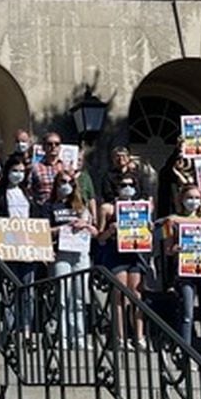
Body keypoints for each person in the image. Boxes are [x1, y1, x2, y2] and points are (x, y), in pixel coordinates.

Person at [165, 183, 201, 363]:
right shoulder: (172, 220)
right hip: (185, 270)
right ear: (181, 199)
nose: (193, 201)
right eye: (189, 197)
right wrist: (175, 248)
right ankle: (184, 355)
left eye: (197, 198)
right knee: (187, 314)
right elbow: (167, 249)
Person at [95, 168, 150, 347]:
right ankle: (120, 336)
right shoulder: (107, 208)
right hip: (115, 253)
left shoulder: (142, 207)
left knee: (136, 293)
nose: (127, 188)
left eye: (131, 185)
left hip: (135, 254)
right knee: (119, 293)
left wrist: (147, 227)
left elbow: (149, 235)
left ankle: (139, 336)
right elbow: (99, 238)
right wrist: (110, 230)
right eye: (123, 185)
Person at [49, 168, 95, 345]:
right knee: (62, 296)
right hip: (61, 253)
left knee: (79, 297)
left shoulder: (80, 206)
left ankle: (80, 336)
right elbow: (44, 231)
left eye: (70, 182)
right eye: (62, 182)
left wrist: (85, 224)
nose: (66, 186)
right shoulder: (50, 206)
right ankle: (64, 335)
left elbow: (94, 231)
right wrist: (62, 228)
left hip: (80, 254)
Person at [29, 132, 65, 205]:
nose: (53, 146)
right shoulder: (35, 168)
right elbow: (29, 189)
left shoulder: (65, 167)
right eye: (49, 144)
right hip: (42, 208)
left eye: (57, 144)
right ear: (43, 147)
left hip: (62, 209)